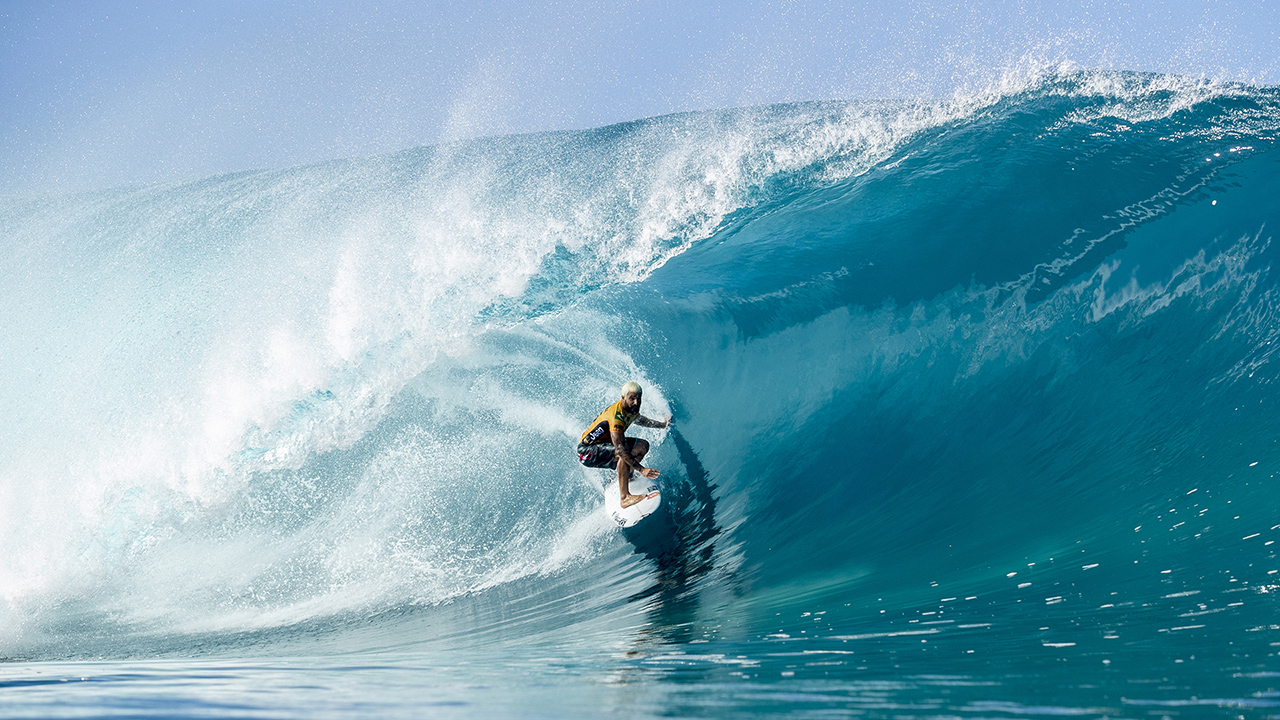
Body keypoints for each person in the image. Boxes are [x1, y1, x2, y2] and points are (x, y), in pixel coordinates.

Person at [578, 381, 670, 508]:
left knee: (642, 445)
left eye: (638, 398)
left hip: (603, 445)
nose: (636, 402)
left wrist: (662, 424)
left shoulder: (630, 408)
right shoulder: (617, 417)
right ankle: (625, 497)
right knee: (623, 453)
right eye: (632, 398)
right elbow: (621, 450)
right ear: (623, 398)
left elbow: (639, 419)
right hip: (587, 452)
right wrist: (642, 469)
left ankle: (626, 475)